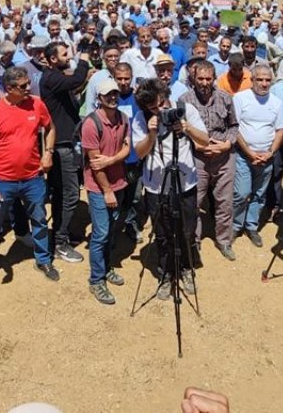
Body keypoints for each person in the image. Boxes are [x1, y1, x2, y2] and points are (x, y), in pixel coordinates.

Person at [132, 78, 208, 300]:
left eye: (162, 102)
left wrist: (187, 128)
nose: (161, 109)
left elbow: (204, 140)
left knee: (187, 229)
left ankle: (185, 268)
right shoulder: (141, 118)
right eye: (153, 107)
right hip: (157, 185)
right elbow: (139, 152)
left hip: (185, 183)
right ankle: (165, 273)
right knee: (163, 232)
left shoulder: (185, 109)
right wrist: (152, 133)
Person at [0, 66, 57, 281]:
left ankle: (43, 259)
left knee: (40, 218)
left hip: (33, 177)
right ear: (9, 88)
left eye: (28, 84)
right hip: (3, 180)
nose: (28, 88)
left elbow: (50, 128)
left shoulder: (36, 104)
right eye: (23, 86)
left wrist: (48, 152)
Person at [37, 41, 92, 264]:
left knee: (62, 193)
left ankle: (63, 233)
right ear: (52, 59)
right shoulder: (51, 77)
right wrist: (85, 59)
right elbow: (76, 79)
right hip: (61, 145)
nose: (68, 56)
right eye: (63, 54)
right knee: (69, 194)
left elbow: (74, 86)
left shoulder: (55, 76)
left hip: (66, 142)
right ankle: (60, 241)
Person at [179, 60, 239, 260]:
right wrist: (196, 144)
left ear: (214, 79)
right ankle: (193, 241)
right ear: (193, 79)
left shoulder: (225, 98)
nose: (204, 83)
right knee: (194, 202)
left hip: (223, 157)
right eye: (200, 78)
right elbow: (180, 130)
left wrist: (227, 144)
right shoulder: (184, 100)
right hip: (197, 157)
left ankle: (223, 240)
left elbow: (233, 126)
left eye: (208, 78)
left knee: (224, 202)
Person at [79, 79, 131, 305]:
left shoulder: (124, 118)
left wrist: (112, 158)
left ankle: (106, 267)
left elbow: (127, 148)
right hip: (100, 188)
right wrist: (107, 191)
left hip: (119, 183)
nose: (112, 97)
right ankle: (96, 280)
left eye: (115, 94)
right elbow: (95, 164)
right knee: (100, 234)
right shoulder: (91, 124)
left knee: (111, 229)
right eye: (107, 94)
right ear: (98, 98)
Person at [230, 63, 283, 247]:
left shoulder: (277, 103)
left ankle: (251, 225)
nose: (264, 83)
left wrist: (270, 153)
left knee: (260, 194)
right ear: (252, 80)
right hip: (244, 155)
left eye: (267, 80)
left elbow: (279, 131)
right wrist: (250, 153)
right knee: (241, 192)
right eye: (260, 79)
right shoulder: (240, 98)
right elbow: (235, 129)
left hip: (266, 157)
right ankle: (236, 225)